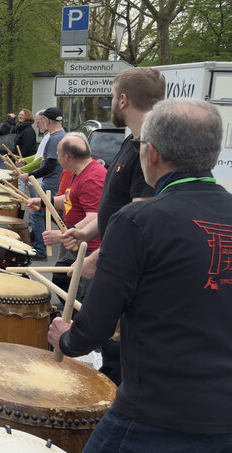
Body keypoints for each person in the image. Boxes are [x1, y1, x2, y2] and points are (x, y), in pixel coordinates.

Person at [48, 98, 232, 451]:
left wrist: (67, 339)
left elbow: (96, 327)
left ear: (152, 154)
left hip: (154, 416)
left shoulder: (137, 222)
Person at [60, 67, 164, 385]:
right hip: (112, 255)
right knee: (101, 346)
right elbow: (116, 208)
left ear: (122, 99)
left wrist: (100, 256)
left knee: (113, 353)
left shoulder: (151, 150)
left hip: (127, 272)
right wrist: (88, 231)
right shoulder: (132, 142)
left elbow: (140, 223)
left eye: (111, 95)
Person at [27, 133, 105, 299]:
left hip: (89, 249)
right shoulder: (78, 171)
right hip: (78, 244)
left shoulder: (93, 178)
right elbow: (68, 199)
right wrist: (42, 202)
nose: (56, 157)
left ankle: (76, 321)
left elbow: (95, 217)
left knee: (82, 298)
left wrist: (62, 234)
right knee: (61, 278)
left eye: (57, 153)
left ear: (67, 157)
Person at [18, 107, 65, 259]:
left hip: (51, 183)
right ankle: (38, 241)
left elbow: (49, 166)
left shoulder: (55, 138)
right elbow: (43, 161)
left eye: (42, 120)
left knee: (36, 213)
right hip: (53, 182)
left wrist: (29, 175)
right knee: (51, 214)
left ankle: (40, 249)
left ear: (48, 120)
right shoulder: (59, 135)